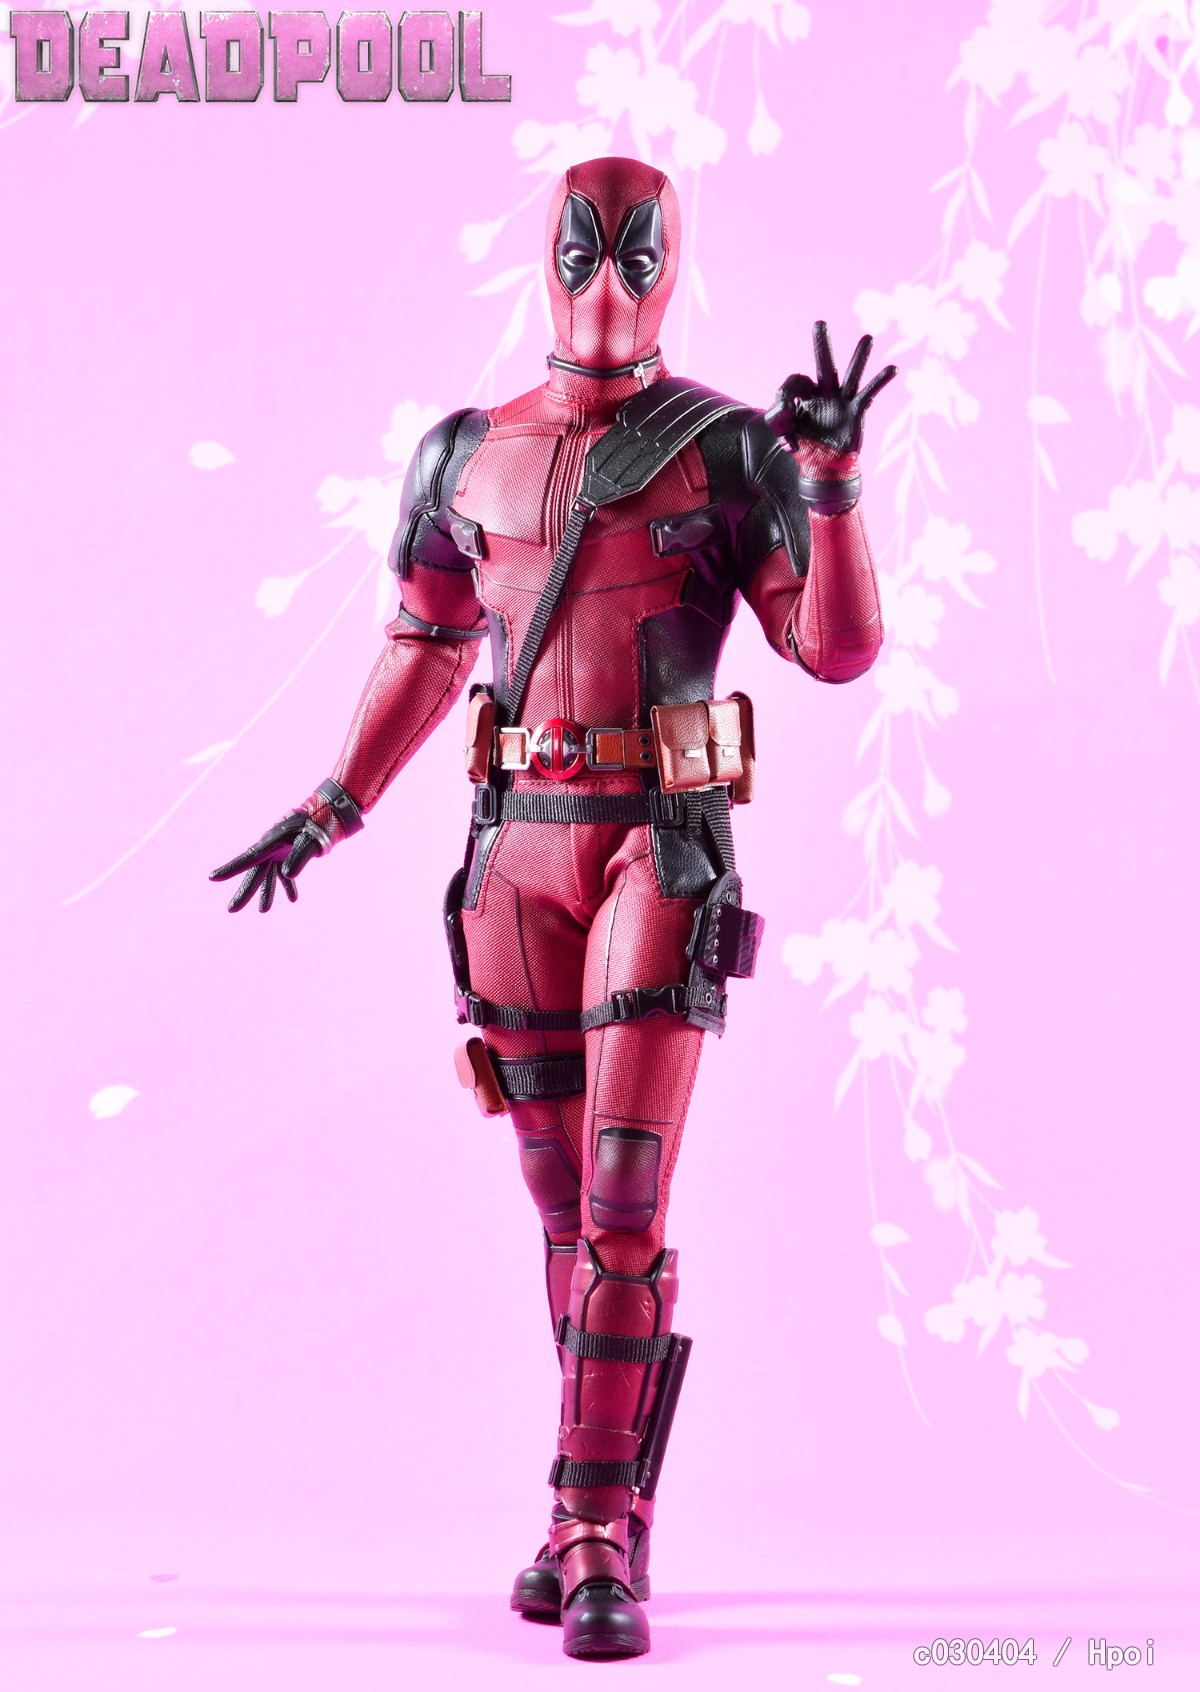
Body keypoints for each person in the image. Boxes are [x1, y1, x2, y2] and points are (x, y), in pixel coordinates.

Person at [212, 154, 894, 1662]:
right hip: (514, 857)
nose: (607, 280)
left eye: (637, 250)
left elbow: (833, 650)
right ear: (545, 252)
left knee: (627, 1197)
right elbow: (424, 641)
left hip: (661, 846)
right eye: (584, 246)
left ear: (674, 261)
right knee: (565, 1205)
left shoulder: (727, 449)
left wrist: (834, 487)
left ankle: (586, 1525)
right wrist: (329, 806)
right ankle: (612, 1511)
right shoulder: (461, 454)